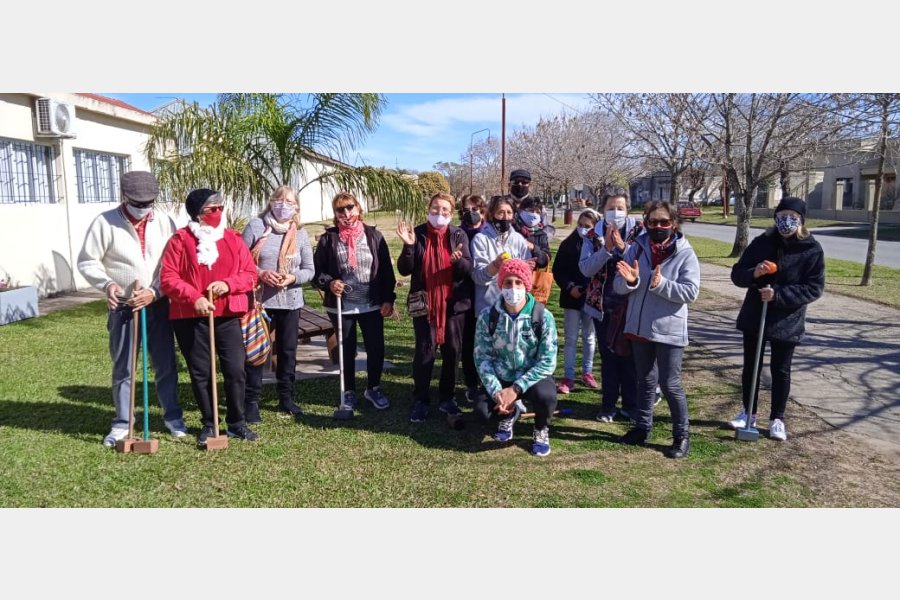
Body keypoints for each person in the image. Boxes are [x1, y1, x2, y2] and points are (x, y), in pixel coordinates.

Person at [77, 171, 188, 447]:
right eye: (137, 202)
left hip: (157, 304)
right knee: (123, 367)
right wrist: (107, 285)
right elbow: (87, 261)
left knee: (165, 365)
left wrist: (155, 291)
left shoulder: (165, 221)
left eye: (148, 202)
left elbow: (171, 264)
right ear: (124, 197)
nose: (143, 207)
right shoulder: (105, 222)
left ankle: (173, 419)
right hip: (124, 308)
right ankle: (122, 424)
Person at [160, 189, 259, 447]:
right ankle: (209, 423)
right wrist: (195, 297)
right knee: (201, 372)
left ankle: (236, 423)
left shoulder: (233, 239)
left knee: (236, 369)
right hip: (190, 317)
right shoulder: (180, 241)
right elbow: (168, 278)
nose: (217, 213)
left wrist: (229, 284)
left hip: (226, 316)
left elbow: (250, 274)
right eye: (210, 209)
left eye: (220, 208)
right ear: (196, 213)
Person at [728, 197, 824, 441]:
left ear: (801, 220)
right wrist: (754, 273)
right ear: (775, 218)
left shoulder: (811, 249)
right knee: (752, 366)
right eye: (782, 215)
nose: (786, 221)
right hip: (755, 316)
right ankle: (748, 412)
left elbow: (814, 288)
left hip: (787, 320)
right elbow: (738, 274)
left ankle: (777, 419)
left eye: (792, 216)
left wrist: (778, 295)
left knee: (781, 370)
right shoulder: (762, 242)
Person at [613, 200, 700, 459]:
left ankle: (681, 436)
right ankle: (643, 427)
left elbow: (691, 292)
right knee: (645, 380)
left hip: (669, 329)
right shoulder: (637, 248)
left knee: (670, 384)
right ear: (646, 222)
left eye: (664, 222)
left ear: (673, 224)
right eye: (653, 222)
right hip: (639, 327)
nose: (658, 226)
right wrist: (632, 281)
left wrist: (661, 284)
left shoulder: (685, 252)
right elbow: (619, 285)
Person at [313, 192, 395, 419]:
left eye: (350, 207)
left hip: (371, 303)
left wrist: (388, 299)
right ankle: (348, 391)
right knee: (346, 350)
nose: (346, 213)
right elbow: (317, 273)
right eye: (341, 210)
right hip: (342, 306)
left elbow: (386, 270)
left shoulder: (374, 236)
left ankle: (373, 388)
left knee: (376, 348)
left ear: (358, 208)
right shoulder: (328, 239)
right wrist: (330, 283)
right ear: (335, 214)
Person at [397, 192, 473, 422]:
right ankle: (420, 399)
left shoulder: (458, 234)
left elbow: (467, 268)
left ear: (451, 213)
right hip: (425, 304)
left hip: (453, 305)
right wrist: (409, 247)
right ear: (428, 209)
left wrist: (458, 260)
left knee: (452, 352)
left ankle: (447, 398)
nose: (439, 214)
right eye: (435, 209)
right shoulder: (418, 233)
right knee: (424, 352)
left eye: (444, 211)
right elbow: (404, 269)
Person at [241, 184, 315, 422]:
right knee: (256, 352)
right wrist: (261, 273)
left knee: (288, 351)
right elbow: (241, 262)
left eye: (290, 202)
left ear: (296, 208)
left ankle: (286, 397)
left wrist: (293, 277)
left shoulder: (300, 234)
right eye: (279, 200)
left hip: (291, 301)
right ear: (271, 202)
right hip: (260, 301)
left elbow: (309, 270)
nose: (284, 205)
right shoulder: (256, 226)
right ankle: (251, 401)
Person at [473, 259, 558, 456]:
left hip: (531, 378)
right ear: (501, 285)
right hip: (501, 375)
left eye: (518, 283)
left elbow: (548, 361)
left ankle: (541, 429)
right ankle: (509, 414)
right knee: (481, 411)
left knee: (547, 396)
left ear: (526, 285)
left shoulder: (543, 317)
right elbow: (482, 357)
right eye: (508, 283)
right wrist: (498, 394)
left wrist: (515, 389)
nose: (513, 288)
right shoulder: (488, 317)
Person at [579, 187, 643, 420]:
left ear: (627, 210)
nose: (615, 212)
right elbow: (585, 268)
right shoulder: (592, 236)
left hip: (632, 306)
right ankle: (608, 406)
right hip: (602, 306)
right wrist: (606, 249)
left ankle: (631, 405)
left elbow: (641, 263)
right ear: (602, 210)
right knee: (609, 357)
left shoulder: (639, 232)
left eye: (620, 208)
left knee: (630, 357)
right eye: (610, 208)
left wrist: (623, 248)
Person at [552, 208, 600, 395]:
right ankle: (568, 376)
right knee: (571, 339)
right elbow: (558, 271)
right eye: (580, 225)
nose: (583, 229)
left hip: (591, 298)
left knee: (589, 338)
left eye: (587, 226)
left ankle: (587, 372)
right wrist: (570, 287)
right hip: (572, 298)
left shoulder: (599, 245)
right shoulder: (568, 244)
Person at [470, 196, 532, 316]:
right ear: (492, 214)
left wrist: (527, 268)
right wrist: (495, 265)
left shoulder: (518, 239)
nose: (505, 217)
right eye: (500, 213)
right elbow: (478, 277)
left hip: (516, 309)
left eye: (509, 212)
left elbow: (525, 280)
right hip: (488, 309)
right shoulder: (481, 239)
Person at [458, 194, 488, 405]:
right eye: (467, 209)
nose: (472, 212)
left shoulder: (490, 233)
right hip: (464, 295)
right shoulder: (457, 234)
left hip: (486, 295)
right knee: (469, 342)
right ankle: (471, 383)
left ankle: (489, 382)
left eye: (476, 208)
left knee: (488, 341)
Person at [513, 196, 551, 269]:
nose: (534, 214)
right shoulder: (512, 230)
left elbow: (545, 260)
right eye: (531, 210)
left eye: (537, 212)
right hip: (511, 276)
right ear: (521, 211)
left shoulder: (541, 234)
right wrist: (520, 264)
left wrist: (534, 248)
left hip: (532, 277)